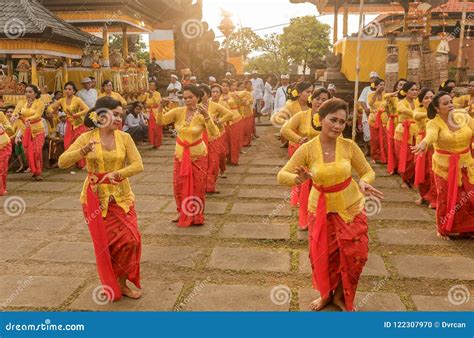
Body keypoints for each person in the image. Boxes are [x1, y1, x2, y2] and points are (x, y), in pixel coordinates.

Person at [277, 98, 382, 311]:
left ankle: (341, 296)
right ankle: (326, 295)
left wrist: (364, 181)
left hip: (350, 207)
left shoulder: (349, 146)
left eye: (342, 122)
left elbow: (367, 171)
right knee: (323, 257)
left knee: (356, 255)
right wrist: (299, 180)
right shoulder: (307, 149)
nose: (337, 126)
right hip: (321, 209)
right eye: (333, 120)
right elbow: (282, 175)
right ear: (320, 119)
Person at [58, 96, 144, 301]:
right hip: (95, 199)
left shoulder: (124, 138)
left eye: (120, 115)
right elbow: (62, 162)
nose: (118, 119)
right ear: (101, 115)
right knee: (108, 246)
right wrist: (82, 151)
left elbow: (138, 165)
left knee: (131, 240)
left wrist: (118, 174)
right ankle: (116, 284)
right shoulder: (87, 138)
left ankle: (122, 283)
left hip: (121, 197)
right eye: (114, 114)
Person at [412, 91, 474, 239]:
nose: (450, 105)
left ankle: (467, 227)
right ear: (437, 108)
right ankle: (443, 228)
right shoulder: (434, 122)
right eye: (445, 103)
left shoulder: (463, 117)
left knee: (468, 196)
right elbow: (431, 135)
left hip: (467, 163)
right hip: (444, 167)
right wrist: (424, 143)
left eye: (451, 101)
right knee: (446, 198)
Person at [155, 84, 219, 227]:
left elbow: (214, 133)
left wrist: (207, 117)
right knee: (179, 185)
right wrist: (160, 107)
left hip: (198, 155)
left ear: (198, 97)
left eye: (191, 97)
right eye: (185, 98)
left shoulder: (202, 114)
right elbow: (161, 121)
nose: (187, 100)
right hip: (180, 155)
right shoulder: (178, 111)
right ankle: (181, 212)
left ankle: (196, 215)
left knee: (198, 186)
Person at [280, 87, 329, 230]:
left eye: (324, 99)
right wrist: (299, 139)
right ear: (311, 100)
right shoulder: (302, 116)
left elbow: (339, 137)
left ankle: (320, 219)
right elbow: (285, 130)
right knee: (305, 191)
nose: (320, 102)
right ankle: (305, 221)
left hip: (323, 159)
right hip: (306, 158)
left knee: (321, 191)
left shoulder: (329, 118)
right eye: (317, 98)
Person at [199, 84, 234, 193]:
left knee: (214, 162)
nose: (200, 96)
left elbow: (229, 114)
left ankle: (210, 186)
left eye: (202, 93)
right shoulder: (196, 106)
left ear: (207, 94)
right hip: (200, 139)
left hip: (214, 137)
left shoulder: (215, 105)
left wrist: (219, 120)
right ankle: (202, 185)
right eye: (198, 93)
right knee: (202, 162)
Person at [47, 81, 89, 169]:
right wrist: (54, 111)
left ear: (74, 91)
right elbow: (50, 108)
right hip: (70, 124)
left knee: (79, 143)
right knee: (68, 143)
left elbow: (86, 109)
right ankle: (71, 162)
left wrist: (77, 114)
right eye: (66, 89)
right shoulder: (62, 100)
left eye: (70, 89)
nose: (67, 91)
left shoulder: (77, 99)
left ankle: (82, 164)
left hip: (79, 124)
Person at [13, 84, 46, 180]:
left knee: (37, 152)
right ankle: (33, 170)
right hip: (25, 131)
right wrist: (14, 116)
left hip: (38, 131)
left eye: (30, 92)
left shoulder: (40, 103)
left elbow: (38, 115)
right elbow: (16, 111)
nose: (28, 94)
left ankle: (38, 172)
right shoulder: (21, 102)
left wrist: (27, 119)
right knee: (28, 153)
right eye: (26, 92)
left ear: (35, 93)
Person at [413, 88, 437, 208]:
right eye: (426, 98)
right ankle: (423, 195)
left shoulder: (439, 111)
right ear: (421, 101)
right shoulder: (418, 111)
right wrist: (434, 111)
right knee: (421, 170)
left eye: (432, 97)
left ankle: (434, 197)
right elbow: (416, 116)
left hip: (435, 145)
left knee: (433, 171)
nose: (429, 100)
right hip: (421, 144)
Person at [395, 81, 419, 188]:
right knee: (405, 157)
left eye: (416, 90)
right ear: (405, 92)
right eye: (412, 90)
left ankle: (413, 179)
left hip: (416, 133)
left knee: (416, 157)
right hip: (403, 132)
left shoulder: (419, 102)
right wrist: (418, 114)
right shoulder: (401, 102)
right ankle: (404, 179)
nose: (415, 92)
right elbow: (402, 110)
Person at [386, 78, 406, 175]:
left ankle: (401, 168)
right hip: (393, 123)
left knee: (401, 147)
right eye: (400, 85)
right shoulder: (393, 97)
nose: (402, 87)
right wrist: (395, 93)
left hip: (403, 125)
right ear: (396, 87)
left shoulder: (409, 99)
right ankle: (393, 167)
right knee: (392, 145)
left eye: (404, 85)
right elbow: (385, 97)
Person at [221, 80, 243, 166]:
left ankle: (234, 159)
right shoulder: (218, 96)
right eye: (223, 85)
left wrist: (237, 98)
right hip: (223, 121)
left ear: (229, 87)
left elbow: (240, 104)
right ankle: (226, 158)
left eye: (226, 85)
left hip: (235, 119)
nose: (224, 87)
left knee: (234, 140)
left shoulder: (233, 95)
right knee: (225, 140)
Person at [367, 78, 388, 164]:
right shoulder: (371, 95)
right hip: (373, 120)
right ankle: (374, 157)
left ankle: (384, 156)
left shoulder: (385, 95)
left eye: (383, 85)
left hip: (383, 119)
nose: (382, 86)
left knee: (384, 139)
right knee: (374, 139)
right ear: (375, 86)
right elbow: (370, 103)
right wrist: (376, 92)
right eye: (380, 85)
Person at [358, 71, 380, 150]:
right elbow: (361, 100)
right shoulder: (366, 89)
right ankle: (367, 148)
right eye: (372, 78)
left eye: (375, 78)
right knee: (367, 132)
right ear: (370, 80)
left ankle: (375, 150)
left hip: (378, 114)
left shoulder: (380, 89)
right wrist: (365, 108)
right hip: (367, 113)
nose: (373, 80)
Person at [140, 80, 162, 148]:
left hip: (155, 112)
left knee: (156, 128)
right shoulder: (147, 94)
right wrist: (142, 93)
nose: (150, 86)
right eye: (150, 85)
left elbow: (157, 103)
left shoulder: (157, 93)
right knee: (150, 128)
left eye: (152, 85)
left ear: (155, 87)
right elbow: (141, 100)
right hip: (147, 111)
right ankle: (152, 142)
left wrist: (152, 95)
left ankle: (157, 143)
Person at [0, 108, 13, 195]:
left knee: (2, 168)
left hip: (3, 145)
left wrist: (3, 128)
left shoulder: (0, 114)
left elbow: (10, 128)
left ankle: (2, 189)